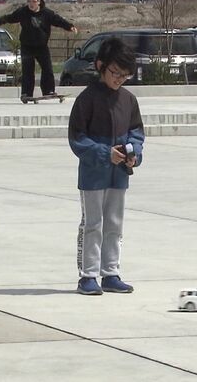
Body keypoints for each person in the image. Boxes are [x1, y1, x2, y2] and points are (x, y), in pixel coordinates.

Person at [68, 37, 144, 296]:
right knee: (93, 223)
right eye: (115, 73)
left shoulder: (129, 100)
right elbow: (77, 138)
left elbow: (136, 132)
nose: (119, 79)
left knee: (115, 222)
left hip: (119, 175)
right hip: (92, 175)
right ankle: (88, 275)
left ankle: (110, 272)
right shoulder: (86, 99)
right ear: (100, 66)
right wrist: (103, 153)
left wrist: (134, 154)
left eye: (124, 75)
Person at [0, 0, 78, 102]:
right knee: (28, 71)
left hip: (42, 46)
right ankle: (26, 93)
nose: (31, 4)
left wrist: (70, 27)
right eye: (29, 2)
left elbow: (58, 21)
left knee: (48, 69)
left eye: (34, 2)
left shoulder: (47, 13)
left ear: (39, 2)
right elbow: (9, 18)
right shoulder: (23, 12)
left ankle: (48, 90)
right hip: (27, 46)